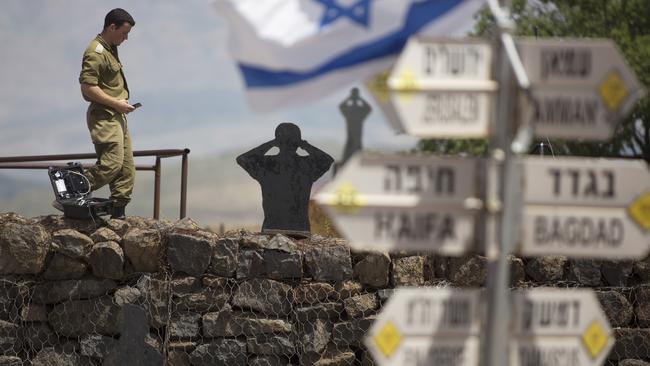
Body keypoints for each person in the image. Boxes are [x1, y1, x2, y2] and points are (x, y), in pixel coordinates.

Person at [77, 8, 136, 219]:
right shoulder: (96, 51)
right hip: (104, 116)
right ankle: (73, 185)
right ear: (112, 27)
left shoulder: (110, 48)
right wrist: (116, 104)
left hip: (117, 115)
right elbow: (87, 88)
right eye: (124, 33)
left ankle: (118, 214)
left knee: (126, 168)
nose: (126, 38)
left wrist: (121, 105)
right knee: (111, 164)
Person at [237, 123, 334, 237]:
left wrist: (271, 144)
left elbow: (243, 159)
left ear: (278, 141)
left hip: (272, 228)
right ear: (297, 142)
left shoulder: (267, 165)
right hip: (300, 229)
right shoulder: (307, 165)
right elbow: (327, 160)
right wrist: (304, 145)